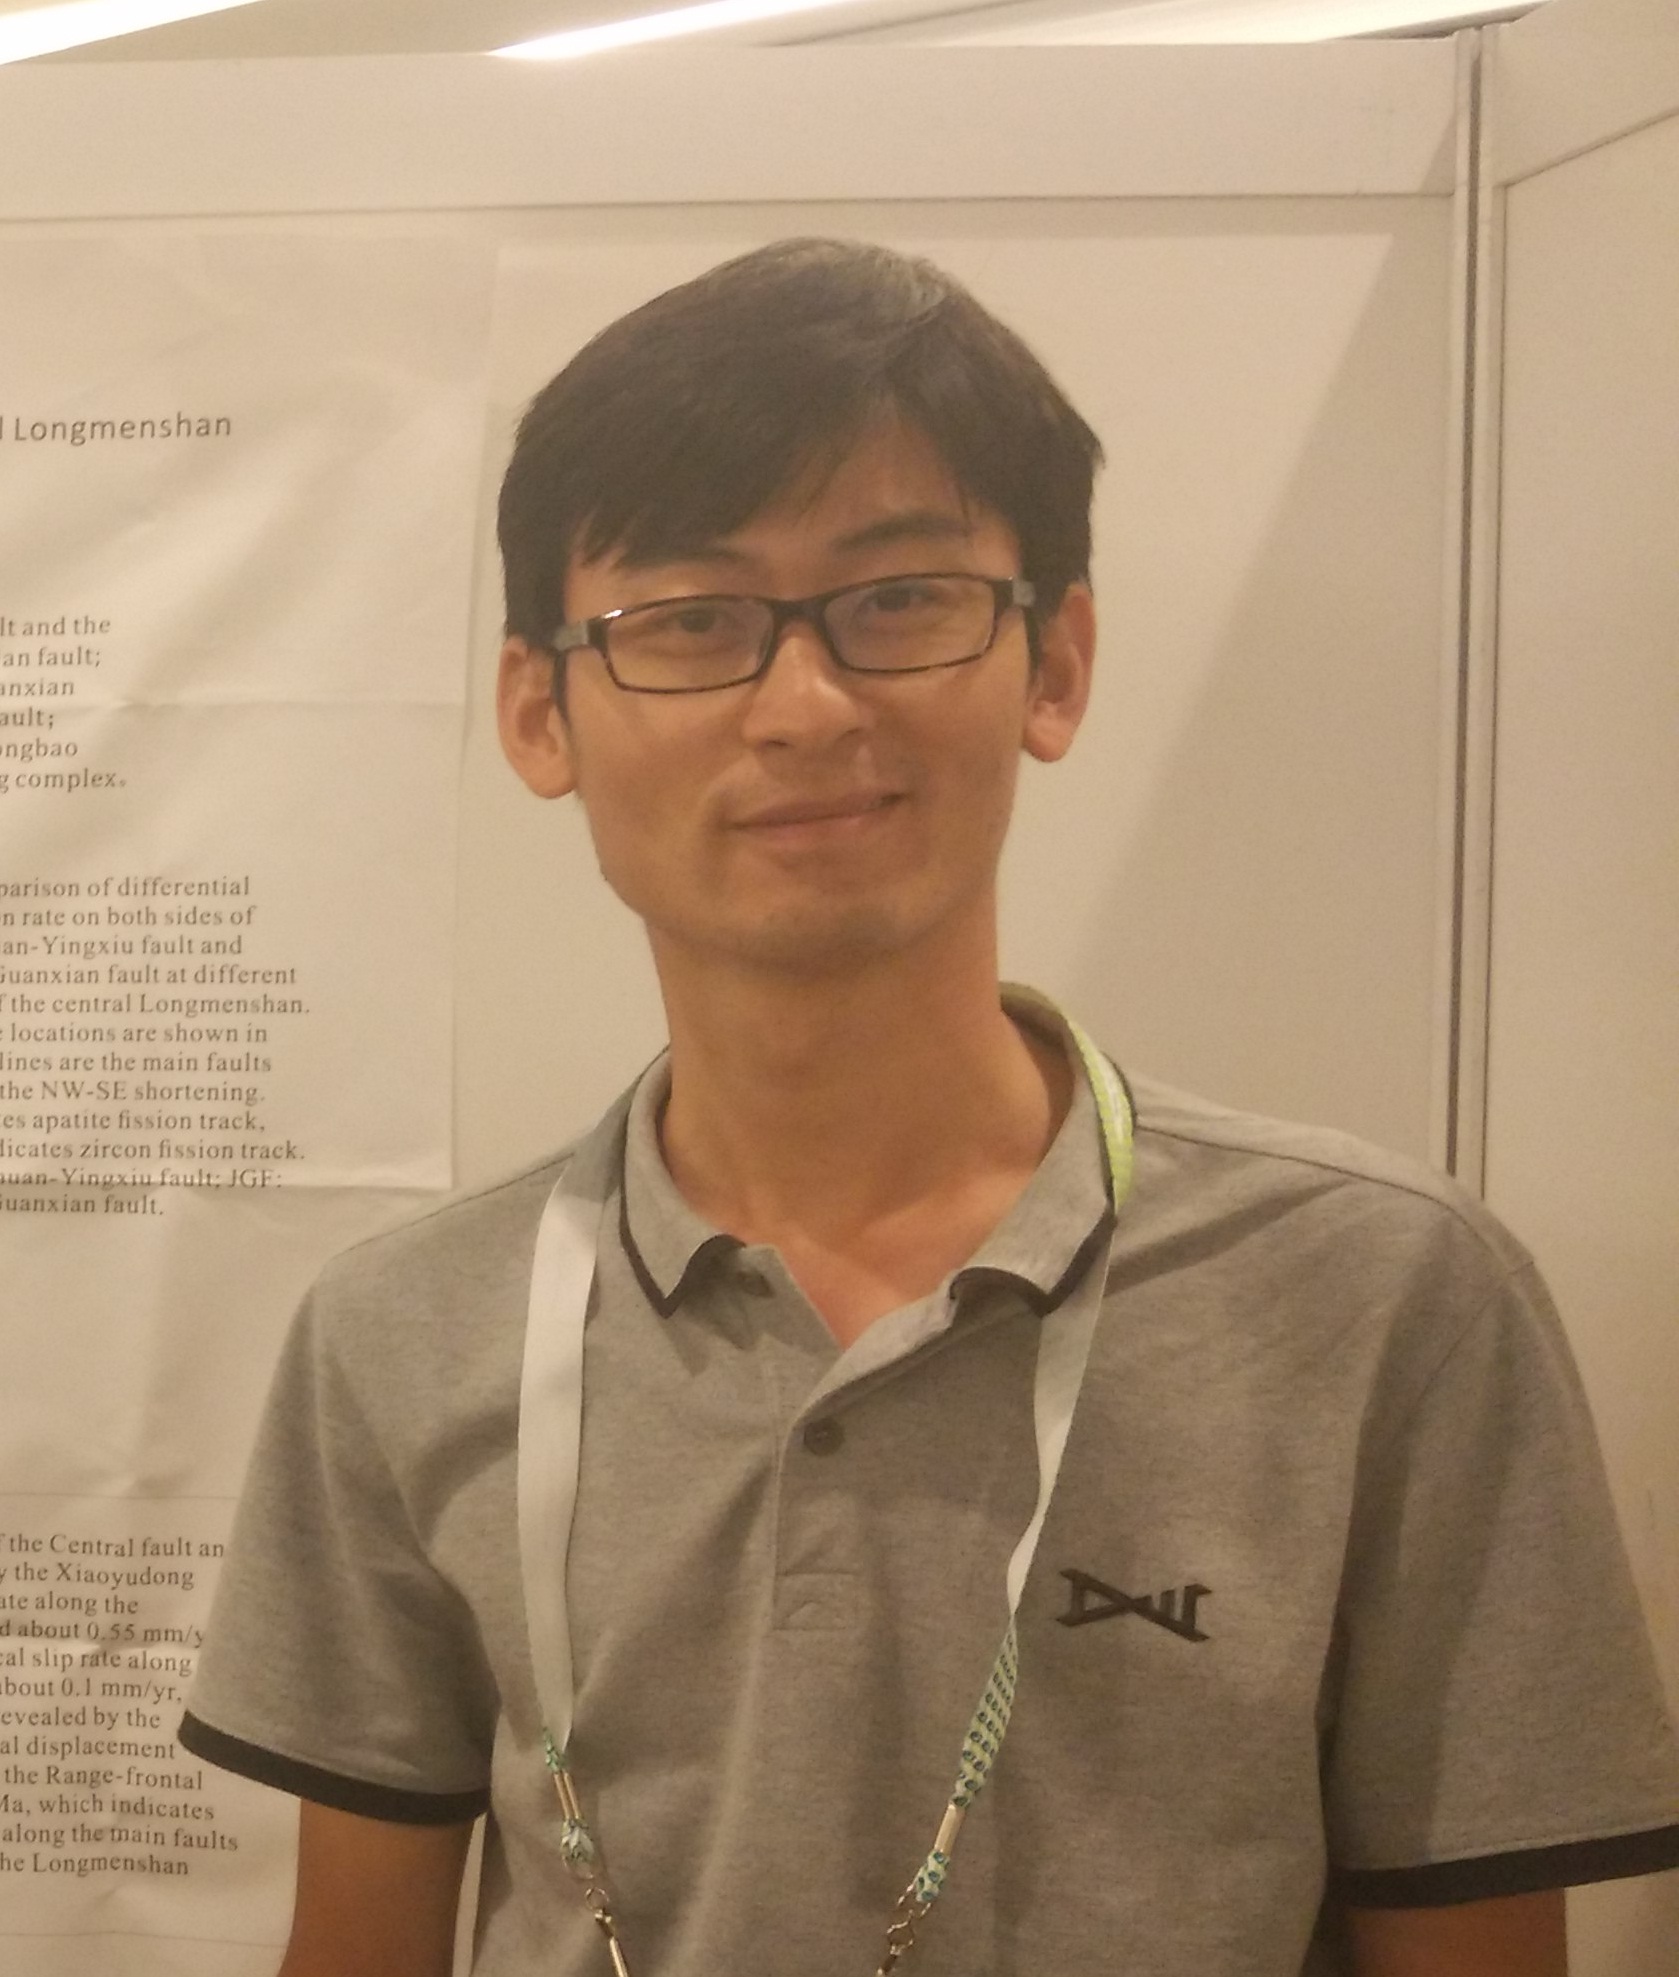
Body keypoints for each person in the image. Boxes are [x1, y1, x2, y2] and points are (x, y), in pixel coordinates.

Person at [180, 239, 1679, 1977]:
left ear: (1056, 662)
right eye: (690, 621)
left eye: (897, 601)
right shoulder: (402, 1329)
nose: (804, 705)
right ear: (541, 712)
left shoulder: (1384, 1296)